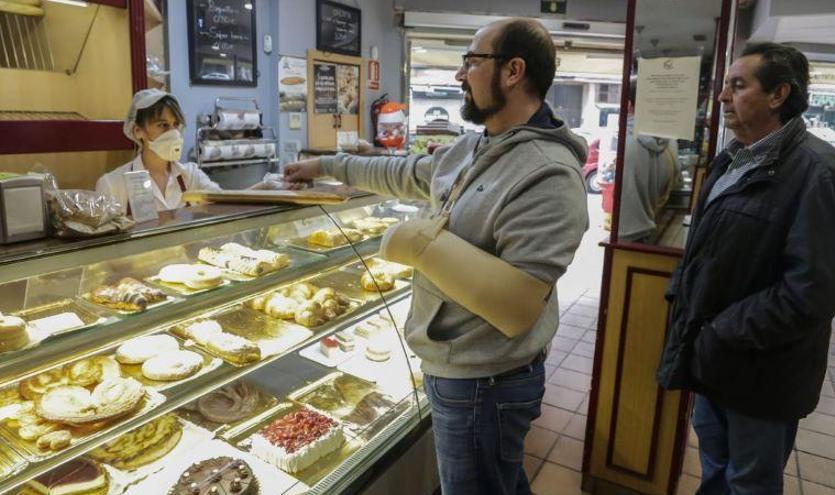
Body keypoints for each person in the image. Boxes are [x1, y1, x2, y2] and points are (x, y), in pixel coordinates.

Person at [285, 18, 589, 495]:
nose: (459, 74)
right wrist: (324, 166)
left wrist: (423, 247)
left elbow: (518, 306)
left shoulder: (549, 174)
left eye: (471, 61)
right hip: (455, 369)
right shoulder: (475, 145)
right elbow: (406, 172)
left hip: (485, 381)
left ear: (513, 71)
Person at [656, 43, 835, 493]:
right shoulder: (734, 158)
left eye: (738, 85)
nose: (722, 96)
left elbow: (820, 286)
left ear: (778, 95)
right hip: (712, 361)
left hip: (761, 374)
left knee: (750, 482)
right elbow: (706, 251)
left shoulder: (819, 171)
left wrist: (725, 332)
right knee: (713, 468)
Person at [97, 89, 287, 213]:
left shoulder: (190, 175)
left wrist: (267, 186)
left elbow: (227, 203)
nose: (173, 133)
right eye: (162, 125)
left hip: (185, 269)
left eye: (176, 124)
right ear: (137, 131)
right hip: (135, 273)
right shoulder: (113, 185)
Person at [617, 80, 680, 244]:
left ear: (628, 105)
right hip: (659, 228)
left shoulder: (627, 144)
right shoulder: (671, 142)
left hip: (627, 233)